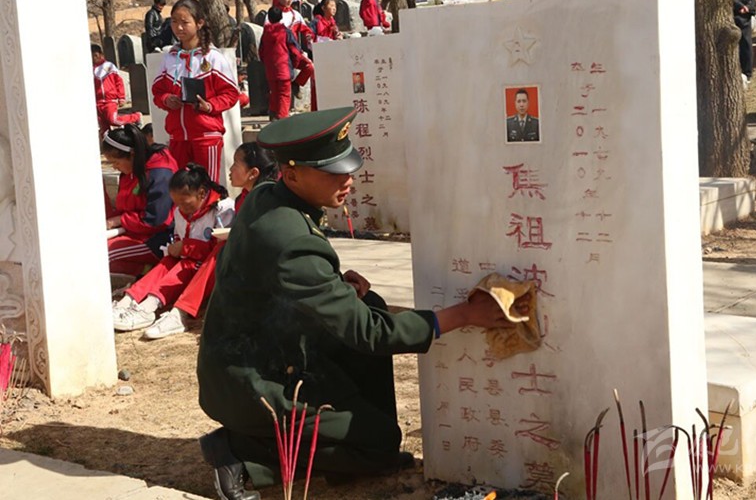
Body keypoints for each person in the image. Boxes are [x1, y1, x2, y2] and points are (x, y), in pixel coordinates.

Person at [196, 107, 517, 500]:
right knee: (379, 445)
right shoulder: (290, 239)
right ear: (292, 175)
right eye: (333, 173)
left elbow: (279, 280)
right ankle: (241, 454)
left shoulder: (269, 196)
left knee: (372, 303)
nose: (347, 180)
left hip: (263, 353)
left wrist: (334, 282)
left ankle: (353, 447)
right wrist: (465, 314)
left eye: (347, 169)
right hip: (253, 382)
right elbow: (369, 332)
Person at [141, 144, 279, 340]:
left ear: (253, 173)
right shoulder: (243, 198)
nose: (230, 170)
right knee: (179, 259)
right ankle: (140, 301)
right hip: (240, 258)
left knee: (219, 251)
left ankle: (181, 312)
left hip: (263, 263)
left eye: (236, 164)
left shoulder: (269, 198)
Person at [113, 163, 235, 333]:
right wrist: (177, 248)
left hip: (207, 266)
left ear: (201, 193)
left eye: (185, 203)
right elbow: (179, 236)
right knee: (167, 263)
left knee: (185, 265)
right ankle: (131, 299)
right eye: (177, 204)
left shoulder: (222, 209)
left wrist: (186, 247)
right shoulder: (180, 212)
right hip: (188, 258)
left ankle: (152, 305)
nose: (182, 208)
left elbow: (220, 248)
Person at [151, 0, 240, 183]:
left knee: (205, 188)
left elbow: (231, 94)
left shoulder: (213, 58)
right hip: (177, 137)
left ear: (199, 23)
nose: (178, 28)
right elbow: (157, 92)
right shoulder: (170, 58)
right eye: (174, 21)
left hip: (206, 136)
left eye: (185, 22)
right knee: (181, 189)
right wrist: (166, 99)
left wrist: (210, 106)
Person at [103, 124, 178, 277]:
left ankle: (149, 272)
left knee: (102, 257)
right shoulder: (130, 172)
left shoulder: (159, 173)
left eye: (116, 162)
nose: (115, 167)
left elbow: (157, 220)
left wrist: (121, 220)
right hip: (133, 231)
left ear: (132, 154)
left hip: (157, 238)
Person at [258, 7, 314, 119]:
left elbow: (261, 52)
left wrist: (267, 64)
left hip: (270, 69)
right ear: (281, 17)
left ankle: (273, 115)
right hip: (284, 67)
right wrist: (295, 63)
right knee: (284, 95)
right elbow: (294, 50)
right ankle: (282, 119)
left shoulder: (265, 33)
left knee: (275, 93)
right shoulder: (285, 31)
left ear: (269, 18)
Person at [92, 44, 141, 135]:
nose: (94, 58)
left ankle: (136, 117)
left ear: (101, 54)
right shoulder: (91, 69)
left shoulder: (109, 66)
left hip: (110, 100)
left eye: (96, 55)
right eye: (92, 56)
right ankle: (108, 140)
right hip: (98, 102)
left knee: (113, 120)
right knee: (103, 127)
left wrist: (121, 97)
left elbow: (118, 81)